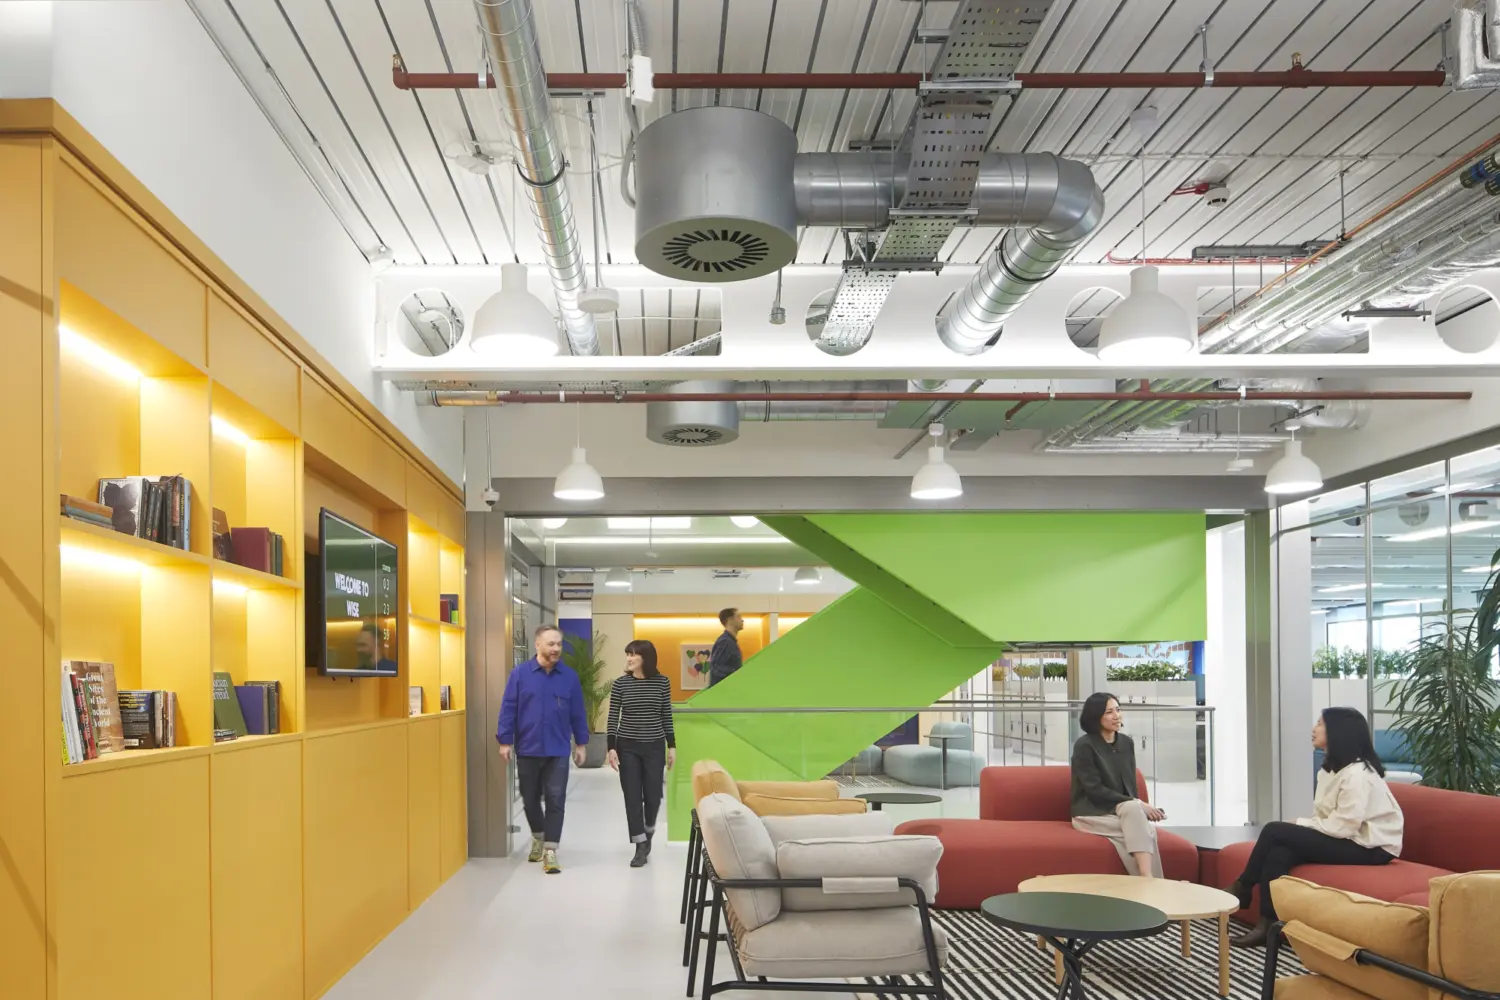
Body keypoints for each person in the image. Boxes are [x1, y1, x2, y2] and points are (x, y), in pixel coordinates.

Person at [1225, 706, 1402, 948]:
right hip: (1349, 837)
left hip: (1372, 848)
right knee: (1279, 851)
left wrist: (1299, 824)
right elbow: (1327, 819)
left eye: (1320, 724)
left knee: (1274, 830)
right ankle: (1267, 926)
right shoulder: (1331, 770)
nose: (1313, 729)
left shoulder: (1358, 774)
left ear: (1338, 732)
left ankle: (1243, 886)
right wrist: (1303, 827)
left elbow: (1344, 826)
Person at [496, 625, 591, 874]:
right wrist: (505, 741)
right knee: (529, 799)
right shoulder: (520, 675)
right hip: (528, 748)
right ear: (537, 645)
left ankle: (550, 849)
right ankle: (538, 836)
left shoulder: (569, 677)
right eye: (551, 644)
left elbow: (578, 713)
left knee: (556, 798)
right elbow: (508, 709)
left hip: (558, 748)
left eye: (558, 644)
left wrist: (580, 743)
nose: (556, 648)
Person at [1070, 692, 1167, 878]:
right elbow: (1094, 790)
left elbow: (1129, 784)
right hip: (1091, 814)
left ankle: (1145, 884)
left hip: (1121, 811)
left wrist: (1136, 806)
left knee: (1136, 822)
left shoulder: (1126, 743)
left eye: (1118, 709)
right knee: (1144, 831)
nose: (1117, 716)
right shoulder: (1085, 746)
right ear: (1095, 717)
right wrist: (1138, 805)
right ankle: (1150, 879)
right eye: (1109, 712)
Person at [605, 639, 676, 867]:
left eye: (633, 654)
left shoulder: (663, 683)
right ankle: (640, 846)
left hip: (655, 746)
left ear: (646, 657)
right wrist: (611, 748)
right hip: (628, 748)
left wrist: (671, 746)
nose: (629, 658)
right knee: (633, 797)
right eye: (627, 654)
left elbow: (667, 715)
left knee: (653, 798)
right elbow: (613, 717)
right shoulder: (620, 684)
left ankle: (648, 835)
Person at [707, 608, 744, 687]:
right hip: (723, 694)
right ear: (730, 620)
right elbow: (716, 668)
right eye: (739, 617)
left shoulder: (729, 642)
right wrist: (739, 673)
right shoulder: (725, 642)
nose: (742, 620)